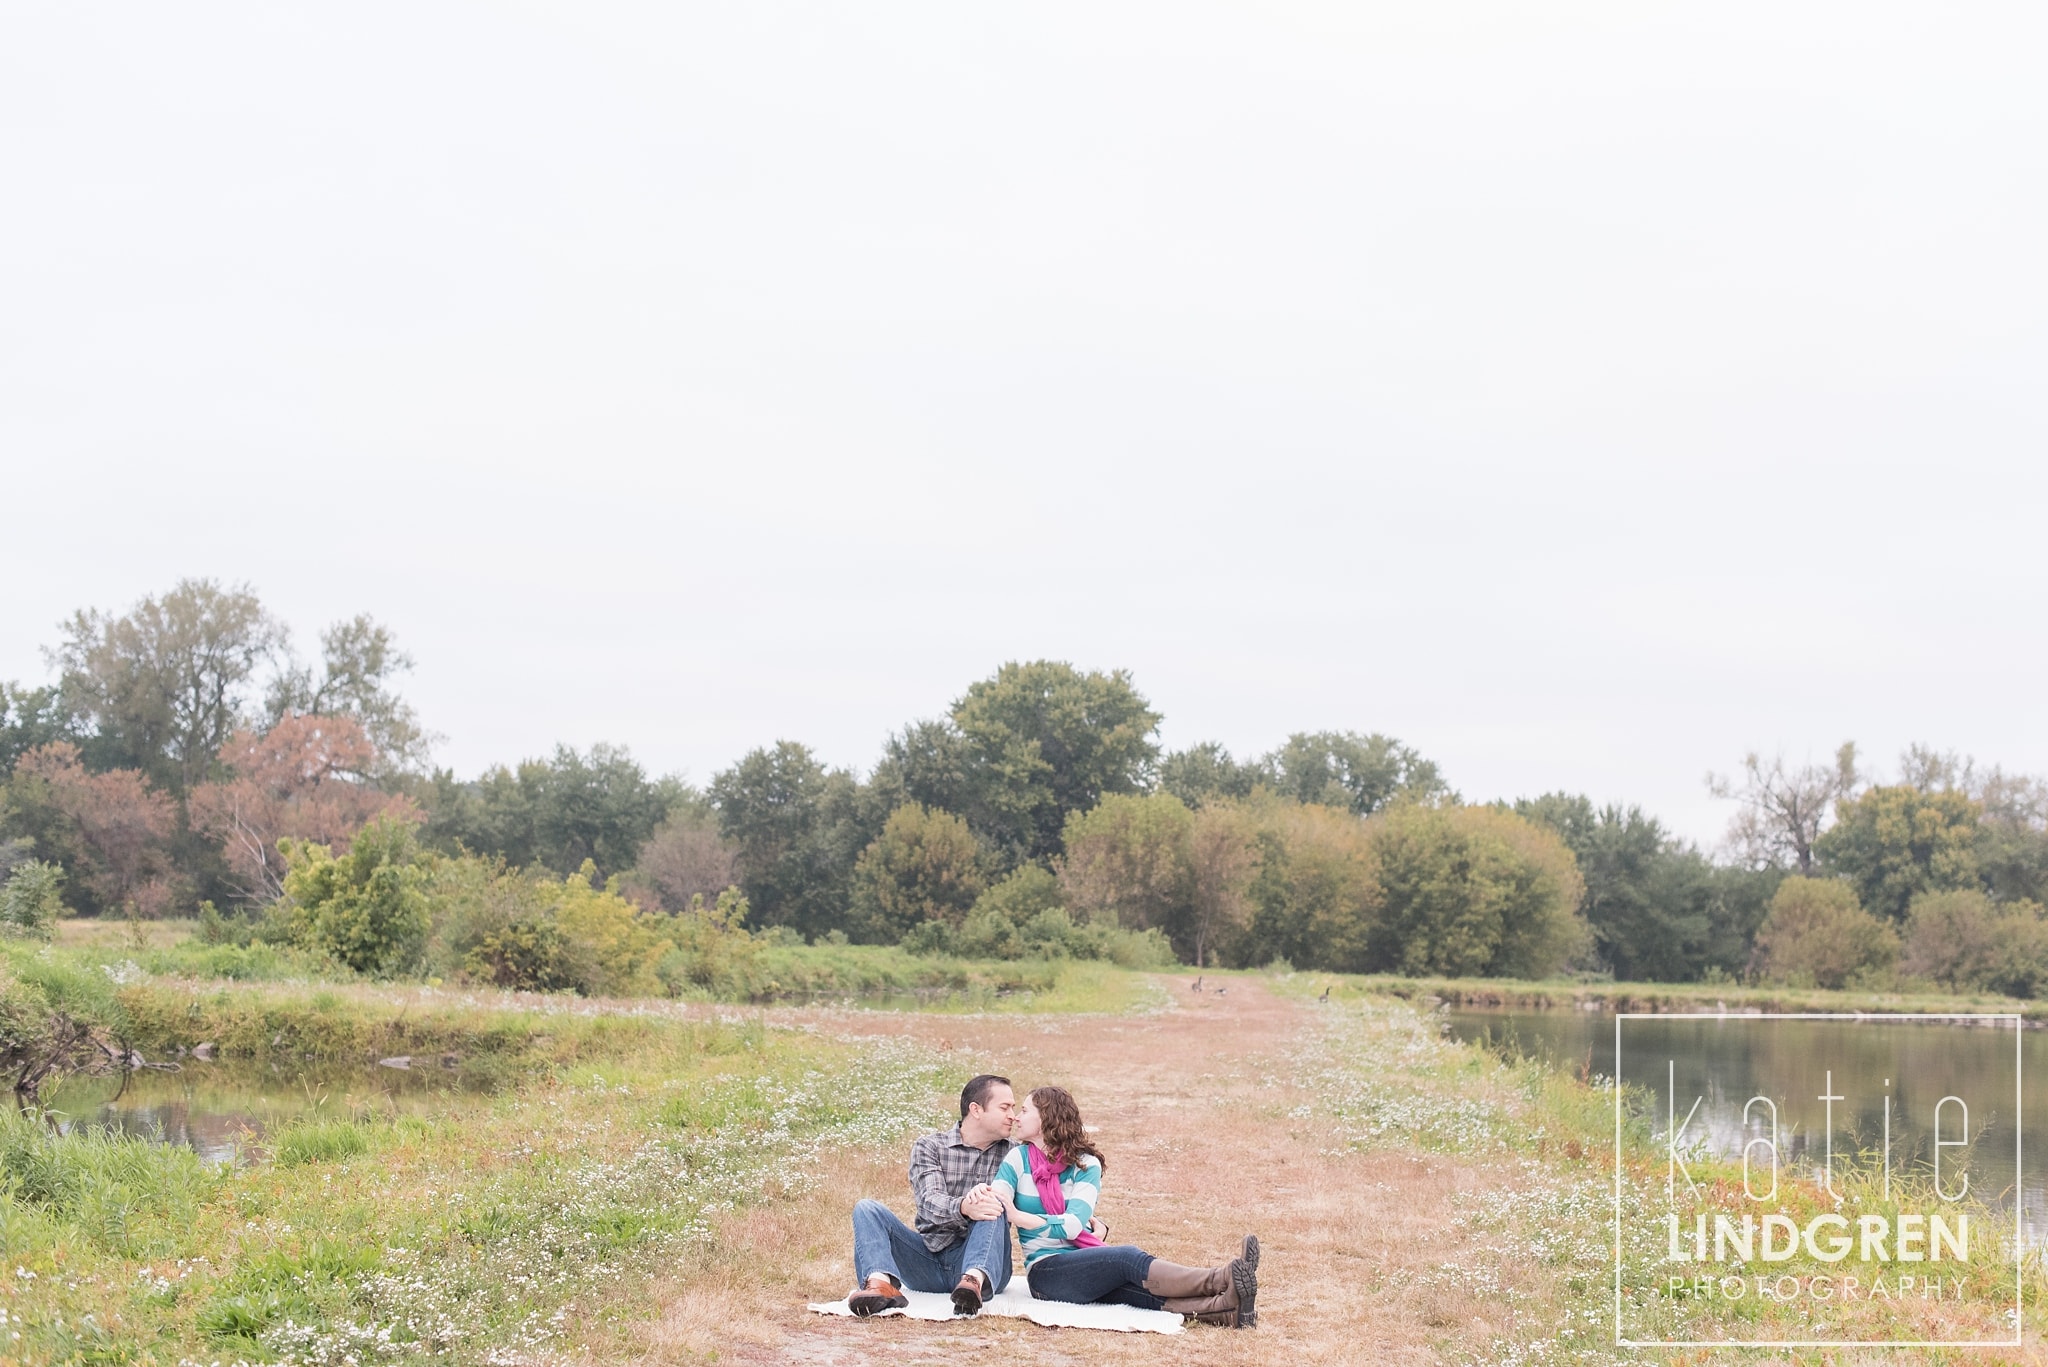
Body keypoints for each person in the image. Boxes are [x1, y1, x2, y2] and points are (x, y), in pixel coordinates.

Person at [992, 1085, 1259, 1328]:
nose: (1017, 1117)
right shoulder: (1018, 1159)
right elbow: (999, 1198)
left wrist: (1022, 1216)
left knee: (1132, 1288)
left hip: (1084, 1260)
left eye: (1025, 1111)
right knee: (1125, 1259)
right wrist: (1010, 1212)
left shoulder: (1086, 1165)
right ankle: (1221, 1279)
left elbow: (1073, 1225)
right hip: (1046, 1272)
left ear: (1046, 1118)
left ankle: (1223, 1310)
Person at [845, 1074, 1018, 1318]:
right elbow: (928, 1203)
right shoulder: (930, 1146)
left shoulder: (1016, 1154)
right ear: (976, 1110)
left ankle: (973, 1281)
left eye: (1013, 1107)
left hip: (985, 1265)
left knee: (992, 1202)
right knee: (866, 1208)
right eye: (1005, 1107)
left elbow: (1040, 1202)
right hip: (927, 1260)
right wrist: (963, 1208)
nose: (1013, 1115)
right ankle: (880, 1283)